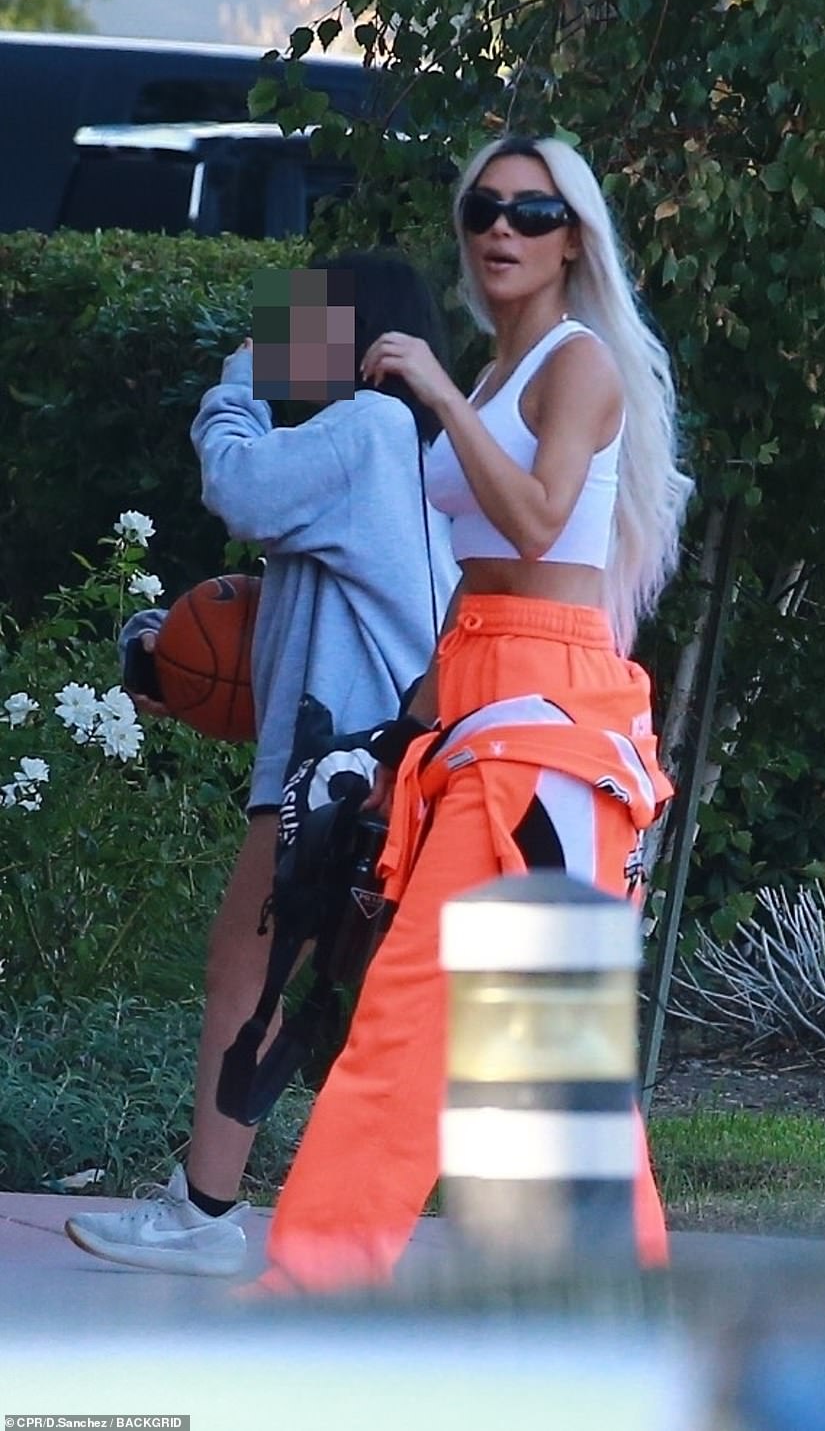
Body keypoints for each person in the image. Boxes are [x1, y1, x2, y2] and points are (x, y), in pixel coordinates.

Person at [257, 135, 694, 1294]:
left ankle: (314, 1285)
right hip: (481, 701)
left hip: (544, 719)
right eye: (484, 208)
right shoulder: (501, 372)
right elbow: (478, 572)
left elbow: (542, 524)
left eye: (533, 211)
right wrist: (407, 721)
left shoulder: (573, 363)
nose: (502, 228)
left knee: (417, 1009)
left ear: (571, 237)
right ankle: (605, 1311)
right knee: (540, 1052)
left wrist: (439, 397)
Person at [64, 251, 459, 1276]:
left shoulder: (367, 428)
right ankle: (326, 1217)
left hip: (336, 773)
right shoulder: (389, 447)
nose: (280, 334)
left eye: (298, 319)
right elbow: (285, 617)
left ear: (355, 330)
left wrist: (235, 382)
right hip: (364, 765)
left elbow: (239, 487)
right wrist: (170, 649)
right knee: (331, 999)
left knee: (253, 975)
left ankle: (205, 1213)